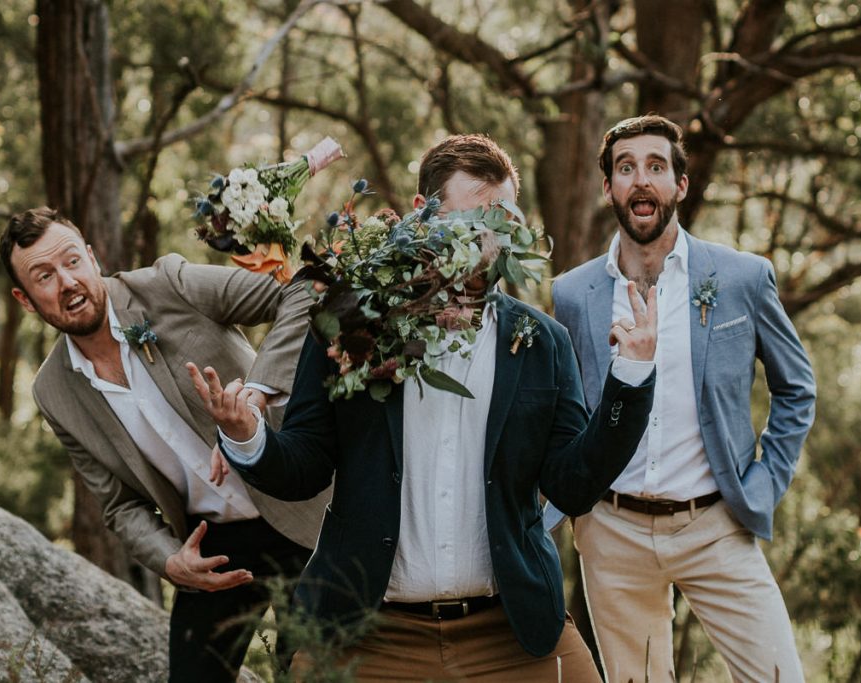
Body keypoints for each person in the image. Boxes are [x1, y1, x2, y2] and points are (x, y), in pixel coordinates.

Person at [190, 134, 658, 681]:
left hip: (510, 629)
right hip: (370, 628)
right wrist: (247, 436)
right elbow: (306, 467)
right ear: (422, 214)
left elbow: (573, 485)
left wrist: (632, 377)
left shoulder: (541, 342)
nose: (486, 242)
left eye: (503, 224)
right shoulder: (348, 323)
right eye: (469, 223)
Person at [0, 207, 331, 683]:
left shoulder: (166, 284)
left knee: (306, 672)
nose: (67, 282)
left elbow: (303, 289)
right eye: (44, 276)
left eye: (72, 262)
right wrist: (171, 561)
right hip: (212, 544)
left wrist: (255, 396)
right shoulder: (52, 393)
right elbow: (119, 506)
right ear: (25, 299)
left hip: (300, 505)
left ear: (92, 258)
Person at [551, 114, 816, 682]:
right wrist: (567, 507)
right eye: (626, 168)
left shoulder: (742, 278)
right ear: (609, 189)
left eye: (655, 166)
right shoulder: (573, 294)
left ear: (680, 186)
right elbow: (563, 414)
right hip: (612, 530)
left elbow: (796, 387)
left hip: (715, 523)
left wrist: (763, 484)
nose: (640, 179)